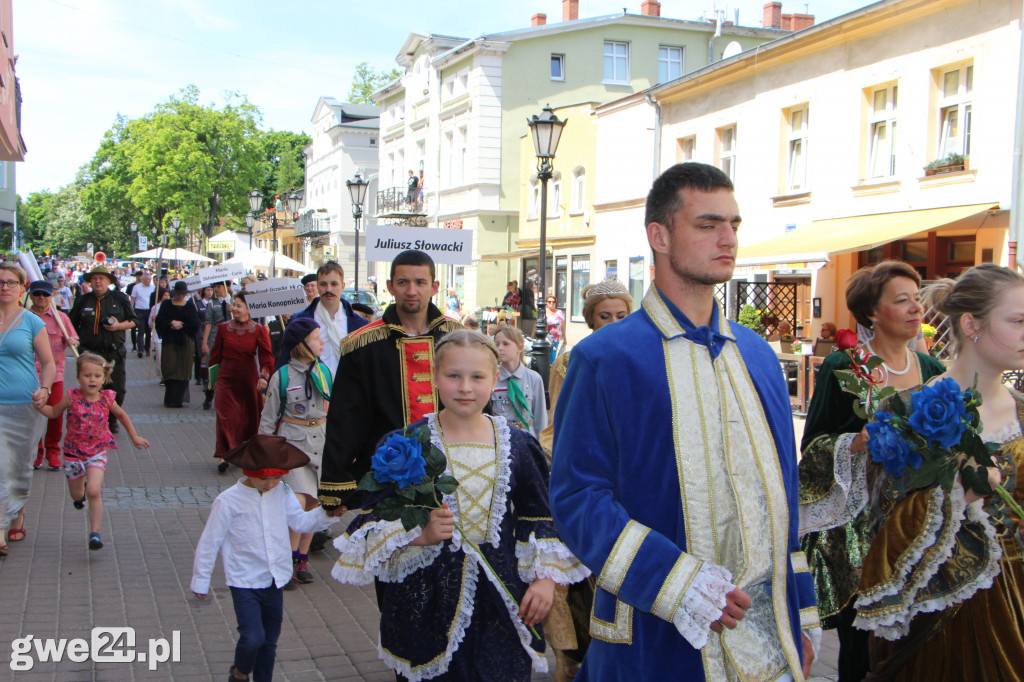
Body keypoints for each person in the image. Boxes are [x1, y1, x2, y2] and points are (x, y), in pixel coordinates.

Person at [550, 163, 819, 680]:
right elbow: (577, 497)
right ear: (660, 235)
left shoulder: (760, 356)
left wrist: (801, 617)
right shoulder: (605, 358)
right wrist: (679, 583)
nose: (728, 238)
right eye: (708, 224)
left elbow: (783, 499)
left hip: (768, 641)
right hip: (656, 636)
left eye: (735, 225)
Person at [801, 263, 1024, 679]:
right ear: (971, 324)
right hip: (933, 601)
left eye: (915, 299)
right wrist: (953, 492)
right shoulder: (891, 399)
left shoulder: (939, 378)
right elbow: (879, 518)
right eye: (1017, 320)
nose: (913, 308)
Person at [332, 330, 587, 681]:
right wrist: (419, 534)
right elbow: (375, 516)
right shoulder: (406, 443)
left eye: (477, 377)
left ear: (494, 379)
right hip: (427, 599)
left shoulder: (519, 445)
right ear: (436, 377)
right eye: (453, 376)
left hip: (501, 595)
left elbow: (539, 516)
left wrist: (544, 581)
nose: (465, 387)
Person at [798, 260, 944, 682]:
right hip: (859, 533)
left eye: (918, 299)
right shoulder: (844, 367)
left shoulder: (933, 372)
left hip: (916, 525)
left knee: (912, 643)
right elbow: (813, 448)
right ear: (872, 312)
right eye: (902, 301)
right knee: (862, 653)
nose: (917, 308)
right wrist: (855, 443)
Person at [538, 278, 633, 681]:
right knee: (583, 581)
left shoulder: (644, 356)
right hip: (592, 479)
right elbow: (559, 424)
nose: (612, 323)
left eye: (621, 316)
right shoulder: (572, 360)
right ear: (591, 320)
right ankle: (575, 663)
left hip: (632, 482)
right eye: (604, 316)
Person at [191, 435, 345, 682]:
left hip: (276, 578)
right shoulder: (228, 501)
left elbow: (300, 522)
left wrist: (328, 515)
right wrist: (200, 580)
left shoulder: (282, 492)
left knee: (269, 642)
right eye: (264, 478)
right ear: (248, 471)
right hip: (244, 581)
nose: (271, 484)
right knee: (252, 638)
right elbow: (210, 542)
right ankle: (240, 672)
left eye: (277, 477)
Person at [318, 249, 461, 509]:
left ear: (434, 287)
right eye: (403, 282)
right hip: (387, 475)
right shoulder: (361, 345)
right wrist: (335, 480)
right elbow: (346, 417)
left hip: (454, 468)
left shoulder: (459, 339)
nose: (411, 290)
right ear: (390, 287)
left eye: (420, 282)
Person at [37, 352, 149, 550]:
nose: (92, 380)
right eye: (87, 375)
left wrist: (134, 436)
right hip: (73, 453)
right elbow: (54, 412)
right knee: (77, 493)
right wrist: (38, 406)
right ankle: (79, 499)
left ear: (104, 378)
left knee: (93, 490)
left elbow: (121, 416)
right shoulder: (72, 396)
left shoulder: (107, 398)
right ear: (79, 377)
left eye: (97, 376)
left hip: (97, 452)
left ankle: (95, 533)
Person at [258, 318, 333, 587]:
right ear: (302, 345)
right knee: (298, 503)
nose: (321, 341)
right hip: (292, 445)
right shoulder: (283, 376)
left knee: (315, 503)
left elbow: (332, 410)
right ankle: (285, 562)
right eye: (316, 337)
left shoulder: (324, 372)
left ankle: (302, 558)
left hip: (320, 443)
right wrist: (264, 454)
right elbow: (268, 419)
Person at [0, 264, 54, 556]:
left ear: (22, 289)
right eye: (0, 282)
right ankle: (0, 529)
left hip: (25, 405)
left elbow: (48, 363)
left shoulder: (32, 322)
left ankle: (17, 511)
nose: (4, 287)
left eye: (11, 282)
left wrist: (44, 389)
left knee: (19, 468)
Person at [68, 265, 137, 433]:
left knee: (116, 389)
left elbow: (134, 321)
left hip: (113, 352)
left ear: (108, 281)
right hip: (90, 353)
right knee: (91, 388)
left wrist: (118, 326)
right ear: (90, 281)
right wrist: (73, 340)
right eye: (94, 278)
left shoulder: (119, 298)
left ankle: (111, 419)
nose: (98, 281)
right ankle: (92, 419)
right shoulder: (82, 300)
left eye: (101, 278)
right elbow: (71, 324)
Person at [210, 292, 273, 474]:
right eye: (234, 305)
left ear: (248, 309)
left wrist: (264, 377)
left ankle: (246, 451)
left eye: (239, 305)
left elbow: (266, 356)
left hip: (248, 378)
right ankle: (225, 453)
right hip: (226, 377)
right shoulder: (223, 328)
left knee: (247, 416)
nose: (235, 308)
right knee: (224, 414)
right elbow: (216, 354)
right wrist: (211, 379)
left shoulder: (259, 330)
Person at [277, 262, 366, 376]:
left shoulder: (360, 324)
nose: (328, 289)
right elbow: (284, 362)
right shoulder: (298, 321)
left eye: (334, 284)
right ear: (318, 286)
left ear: (342, 286)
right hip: (310, 389)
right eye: (323, 284)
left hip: (348, 389)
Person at [27, 280, 79, 471]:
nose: (41, 298)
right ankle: (37, 452)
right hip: (29, 373)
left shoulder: (61, 318)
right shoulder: (23, 316)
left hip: (54, 374)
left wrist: (72, 341)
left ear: (52, 296)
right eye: (37, 294)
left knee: (55, 414)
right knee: (31, 413)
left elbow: (72, 339)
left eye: (45, 295)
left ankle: (53, 451)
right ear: (30, 295)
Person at [491, 326, 547, 439]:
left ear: (520, 347)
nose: (500, 348)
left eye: (505, 344)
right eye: (497, 344)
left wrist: (541, 445)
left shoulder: (534, 378)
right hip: (501, 439)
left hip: (527, 436)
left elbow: (540, 417)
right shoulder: (491, 378)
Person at [155, 282, 200, 408]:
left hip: (185, 341)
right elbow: (160, 320)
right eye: (178, 294)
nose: (180, 297)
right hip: (170, 340)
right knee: (170, 367)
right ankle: (170, 398)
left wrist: (183, 325)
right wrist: (171, 323)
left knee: (183, 369)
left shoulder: (190, 306)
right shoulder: (166, 304)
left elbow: (195, 323)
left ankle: (179, 399)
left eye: (182, 294)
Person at [201, 281, 232, 410]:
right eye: (215, 287)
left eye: (218, 287)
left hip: (231, 335)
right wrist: (205, 343)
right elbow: (208, 323)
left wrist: (233, 310)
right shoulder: (212, 304)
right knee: (213, 366)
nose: (216, 289)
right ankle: (209, 395)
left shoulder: (234, 300)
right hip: (216, 334)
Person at [130, 270, 155, 357]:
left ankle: (147, 348)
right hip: (139, 310)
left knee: (148, 331)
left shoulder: (153, 288)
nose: (149, 281)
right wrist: (131, 310)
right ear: (143, 279)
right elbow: (132, 299)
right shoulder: (136, 287)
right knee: (141, 330)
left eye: (150, 279)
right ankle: (140, 349)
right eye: (147, 279)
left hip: (149, 310)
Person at [544, 294, 566, 362]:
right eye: (549, 301)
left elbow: (562, 326)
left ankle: (551, 371)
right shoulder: (543, 312)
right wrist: (532, 337)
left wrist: (565, 338)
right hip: (545, 338)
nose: (551, 303)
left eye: (553, 302)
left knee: (553, 357)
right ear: (546, 302)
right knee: (545, 356)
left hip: (556, 338)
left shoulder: (559, 313)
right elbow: (536, 325)